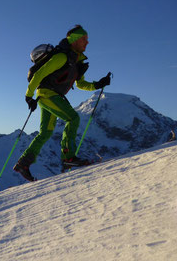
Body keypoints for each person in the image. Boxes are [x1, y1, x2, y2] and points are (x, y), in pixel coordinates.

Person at [13, 25, 111, 181]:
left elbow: (80, 84)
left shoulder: (75, 61)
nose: (87, 43)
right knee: (73, 118)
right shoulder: (62, 57)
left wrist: (98, 84)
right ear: (74, 40)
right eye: (84, 39)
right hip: (47, 94)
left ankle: (23, 164)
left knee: (45, 132)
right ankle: (68, 158)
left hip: (50, 96)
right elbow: (39, 74)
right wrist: (28, 96)